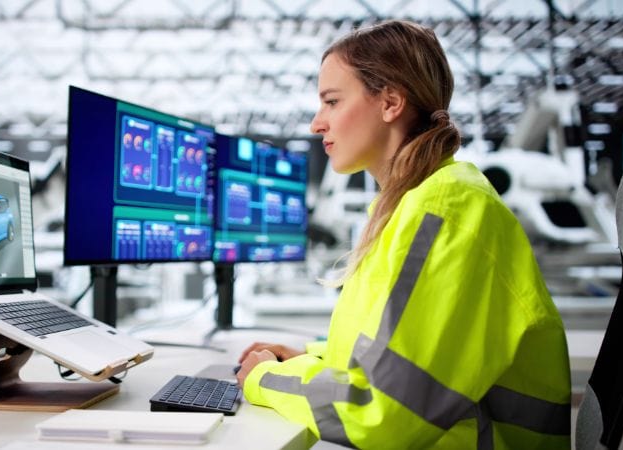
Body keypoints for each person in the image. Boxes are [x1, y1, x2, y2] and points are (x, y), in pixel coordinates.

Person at [235, 20, 571, 449]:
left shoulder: (445, 209)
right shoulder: (409, 205)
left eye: (332, 102)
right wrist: (310, 358)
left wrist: (265, 378)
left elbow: (381, 412)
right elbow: (397, 352)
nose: (317, 123)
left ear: (391, 102)